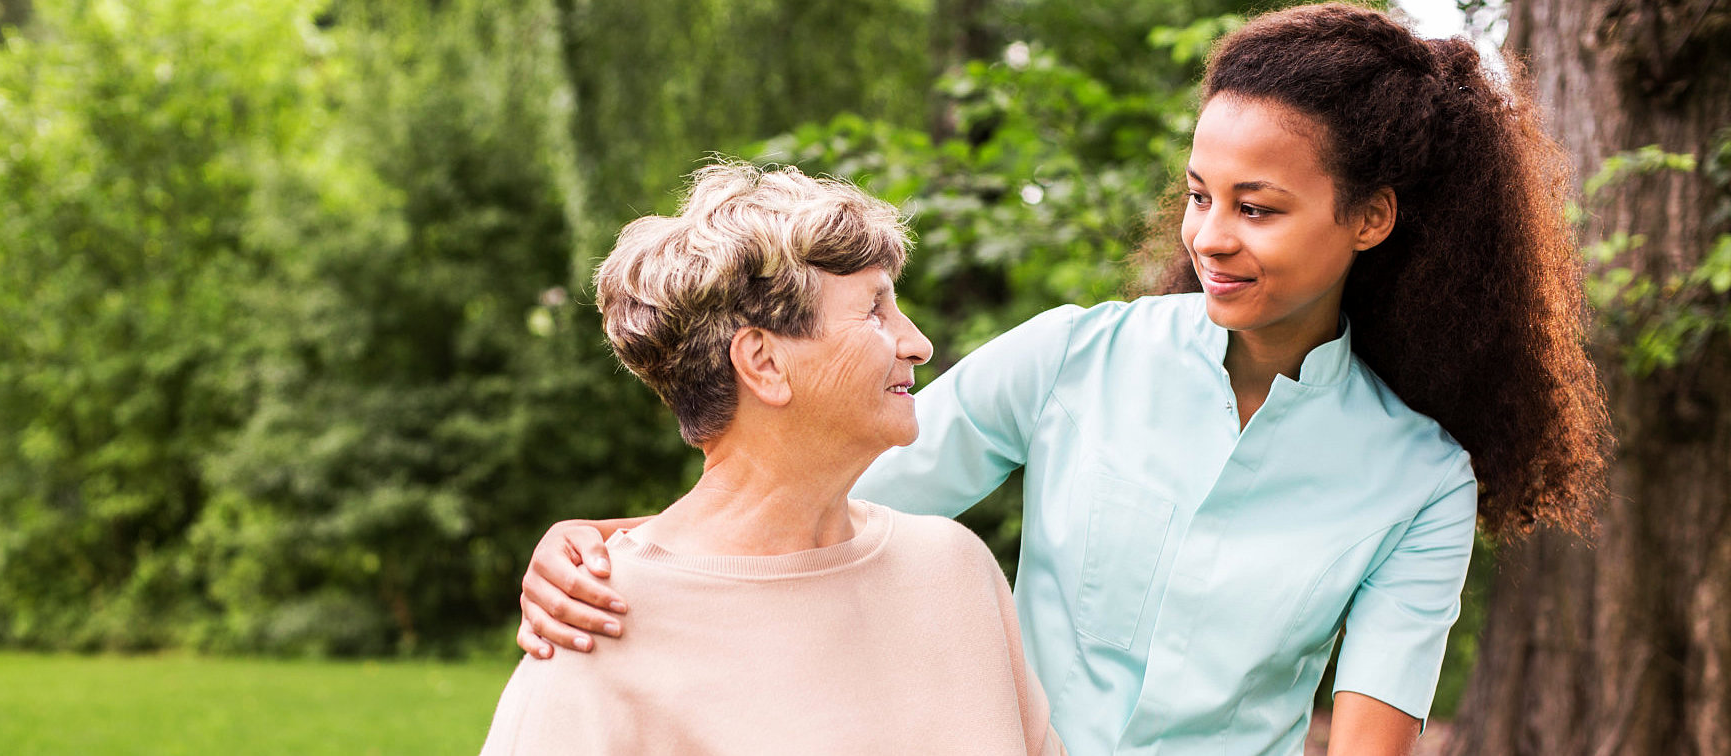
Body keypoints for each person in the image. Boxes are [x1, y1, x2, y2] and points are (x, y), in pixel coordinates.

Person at [512, 4, 1611, 754]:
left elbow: (1373, 739)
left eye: (1258, 206)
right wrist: (616, 549)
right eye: (1198, 194)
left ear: (1369, 219)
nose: (1212, 236)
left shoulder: (1417, 481)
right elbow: (799, 494)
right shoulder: (1076, 356)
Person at [480, 163, 1065, 755]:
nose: (918, 343)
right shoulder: (593, 626)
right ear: (763, 362)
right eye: (874, 311)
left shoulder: (954, 570)